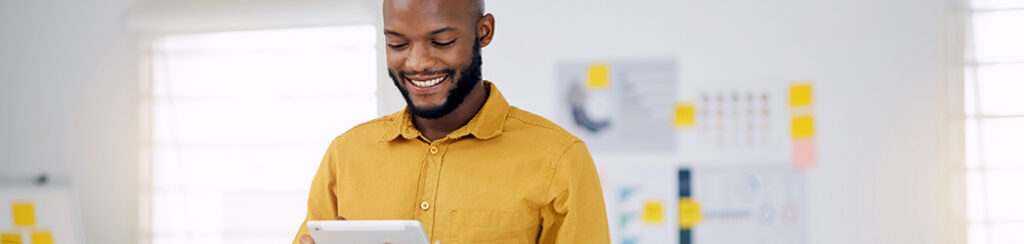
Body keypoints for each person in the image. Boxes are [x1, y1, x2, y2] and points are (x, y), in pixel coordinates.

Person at [293, 0, 610, 243]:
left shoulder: (559, 158)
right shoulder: (346, 153)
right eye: (397, 44)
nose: (417, 63)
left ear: (483, 32)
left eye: (441, 41)